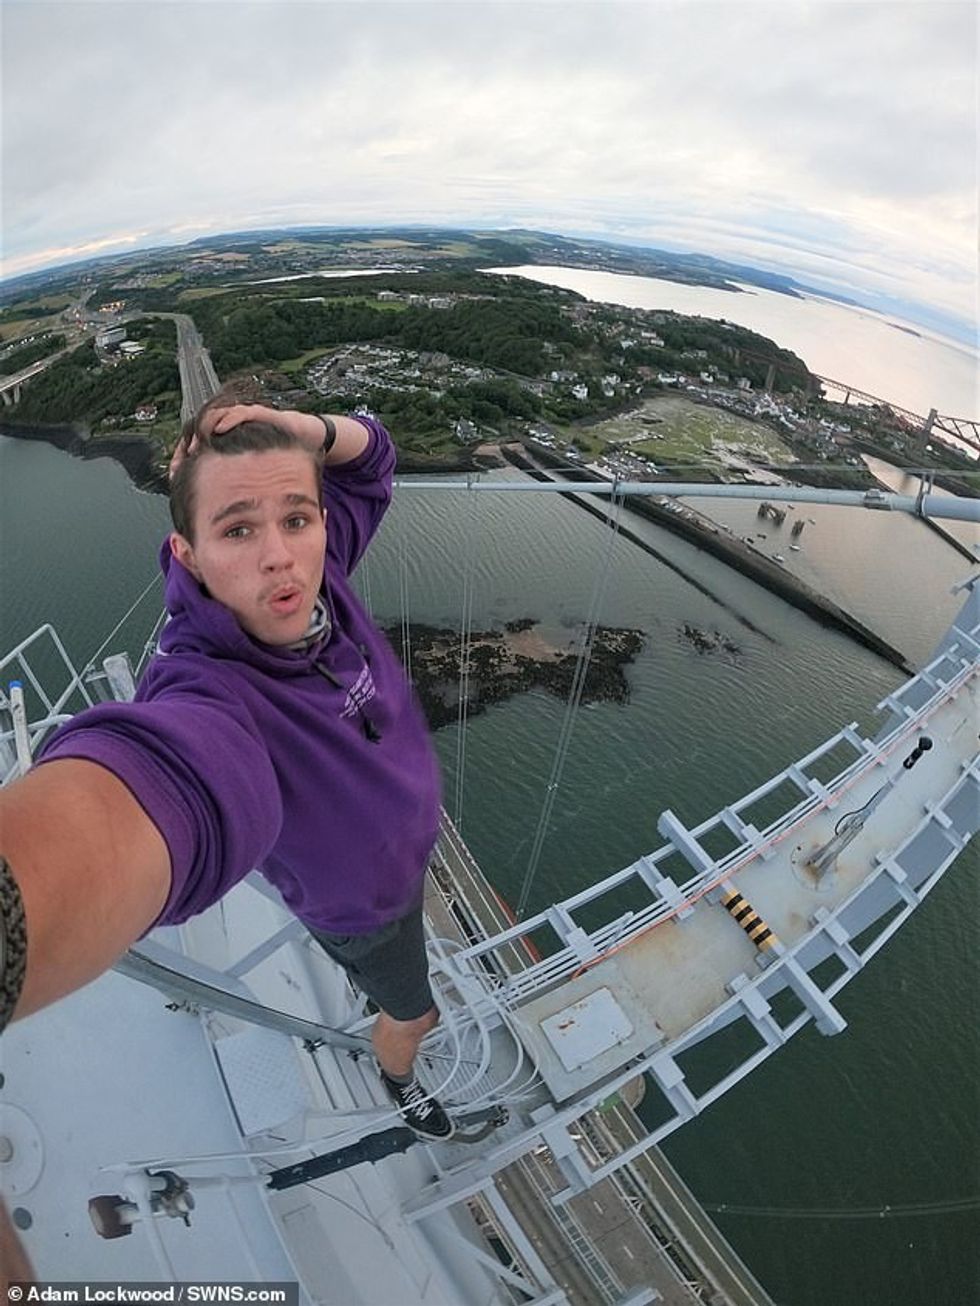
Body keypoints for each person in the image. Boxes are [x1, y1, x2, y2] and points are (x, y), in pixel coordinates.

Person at [0, 392, 453, 1140]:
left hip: (400, 858)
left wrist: (293, 429)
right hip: (369, 911)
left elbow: (372, 456)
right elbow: (169, 779)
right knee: (418, 1011)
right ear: (189, 555)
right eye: (237, 528)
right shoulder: (207, 685)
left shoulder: (321, 568)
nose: (280, 553)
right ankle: (398, 1075)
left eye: (296, 517)